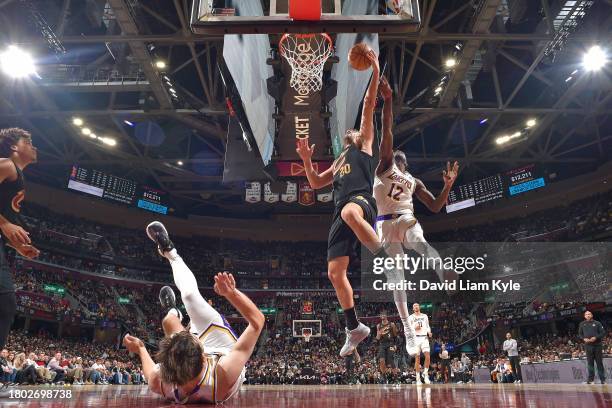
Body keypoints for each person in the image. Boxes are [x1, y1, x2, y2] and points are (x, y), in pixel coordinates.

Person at [296, 48, 390, 357]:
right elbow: (314, 183)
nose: (351, 131)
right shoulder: (338, 161)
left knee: (350, 211)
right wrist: (307, 160)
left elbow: (367, 107)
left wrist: (375, 72)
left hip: (361, 201)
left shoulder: (363, 144)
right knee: (335, 274)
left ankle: (386, 259)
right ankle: (354, 327)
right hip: (341, 213)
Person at [122, 221, 264, 404]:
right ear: (203, 355)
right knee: (189, 297)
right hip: (222, 346)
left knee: (168, 320)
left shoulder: (162, 382)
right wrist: (231, 294)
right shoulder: (222, 375)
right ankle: (172, 258)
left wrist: (141, 348)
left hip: (191, 364)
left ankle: (171, 262)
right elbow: (258, 321)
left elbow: (150, 375)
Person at [372, 79, 458, 351]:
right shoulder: (414, 180)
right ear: (406, 163)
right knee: (421, 245)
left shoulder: (384, 165)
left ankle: (408, 330)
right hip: (406, 219)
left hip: (385, 225)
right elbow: (435, 207)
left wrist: (387, 101)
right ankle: (440, 267)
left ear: (393, 159)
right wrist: (446, 186)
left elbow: (386, 131)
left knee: (397, 279)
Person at [0, 128, 39, 350]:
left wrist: (16, 245)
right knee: (5, 303)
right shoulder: (6, 164)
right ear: (15, 147)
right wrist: (5, 224)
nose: (34, 146)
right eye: (28, 141)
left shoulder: (18, 174)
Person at [578, 310, 606, 384]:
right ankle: (591, 379)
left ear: (592, 315)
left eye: (589, 314)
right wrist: (584, 338)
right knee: (590, 363)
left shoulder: (597, 323)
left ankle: (602, 379)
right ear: (584, 316)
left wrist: (596, 337)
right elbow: (580, 334)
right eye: (586, 314)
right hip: (588, 346)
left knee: (599, 363)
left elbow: (603, 333)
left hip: (597, 345)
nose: (588, 315)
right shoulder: (582, 324)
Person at [408, 303, 432, 384]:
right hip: (416, 338)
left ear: (419, 307)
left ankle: (425, 374)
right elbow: (408, 328)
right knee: (417, 358)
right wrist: (414, 328)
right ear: (413, 308)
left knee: (428, 355)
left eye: (417, 305)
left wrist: (429, 332)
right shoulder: (411, 317)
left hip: (424, 337)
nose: (416, 307)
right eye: (414, 306)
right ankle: (418, 378)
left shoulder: (424, 316)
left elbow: (427, 326)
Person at [376, 312, 398, 379]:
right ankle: (384, 376)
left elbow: (395, 336)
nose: (382, 315)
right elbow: (377, 338)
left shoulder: (392, 324)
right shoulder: (378, 326)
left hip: (390, 343)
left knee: (391, 360)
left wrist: (395, 345)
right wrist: (378, 334)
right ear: (380, 316)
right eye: (381, 314)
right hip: (382, 344)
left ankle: (396, 377)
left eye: (383, 314)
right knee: (381, 360)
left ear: (386, 316)